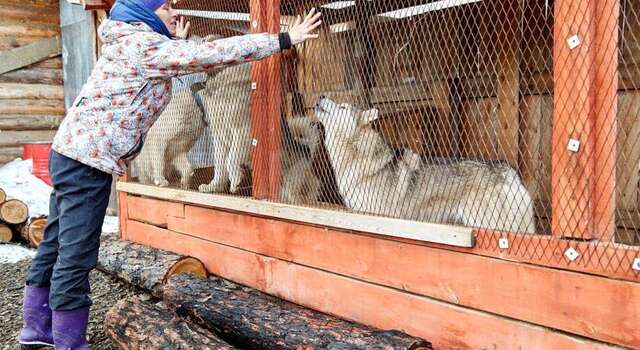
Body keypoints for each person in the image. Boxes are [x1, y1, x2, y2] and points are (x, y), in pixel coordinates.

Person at [17, 0, 322, 348]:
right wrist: (283, 38)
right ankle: (68, 342)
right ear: (145, 14)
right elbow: (211, 55)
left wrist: (176, 43)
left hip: (72, 153)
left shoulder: (129, 40)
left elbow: (166, 61)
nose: (174, 13)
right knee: (76, 252)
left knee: (57, 241)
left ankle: (36, 329)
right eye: (166, 8)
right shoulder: (144, 46)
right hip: (88, 161)